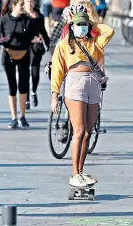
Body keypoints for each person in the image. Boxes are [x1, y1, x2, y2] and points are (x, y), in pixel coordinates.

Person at [50, 11, 115, 189]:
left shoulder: (95, 43)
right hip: (75, 84)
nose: (82, 28)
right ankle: (74, 174)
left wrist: (91, 23)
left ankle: (80, 170)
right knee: (78, 131)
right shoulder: (63, 45)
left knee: (88, 132)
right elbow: (57, 70)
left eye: (84, 25)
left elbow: (109, 31)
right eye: (78, 25)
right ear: (71, 27)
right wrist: (55, 95)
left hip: (93, 83)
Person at [0, 0, 38, 128]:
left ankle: (22, 116)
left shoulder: (27, 20)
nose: (23, 7)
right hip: (8, 54)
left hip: (24, 53)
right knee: (12, 86)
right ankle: (14, 117)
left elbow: (33, 35)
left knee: (23, 85)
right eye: (21, 4)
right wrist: (1, 40)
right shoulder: (5, 19)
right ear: (13, 6)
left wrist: (35, 40)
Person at [24, 0, 50, 109]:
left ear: (34, 3)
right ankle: (26, 99)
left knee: (34, 73)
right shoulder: (21, 15)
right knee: (25, 73)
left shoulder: (39, 16)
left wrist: (48, 43)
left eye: (31, 1)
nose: (29, 4)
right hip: (23, 47)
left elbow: (43, 30)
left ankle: (33, 91)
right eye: (27, 1)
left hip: (35, 48)